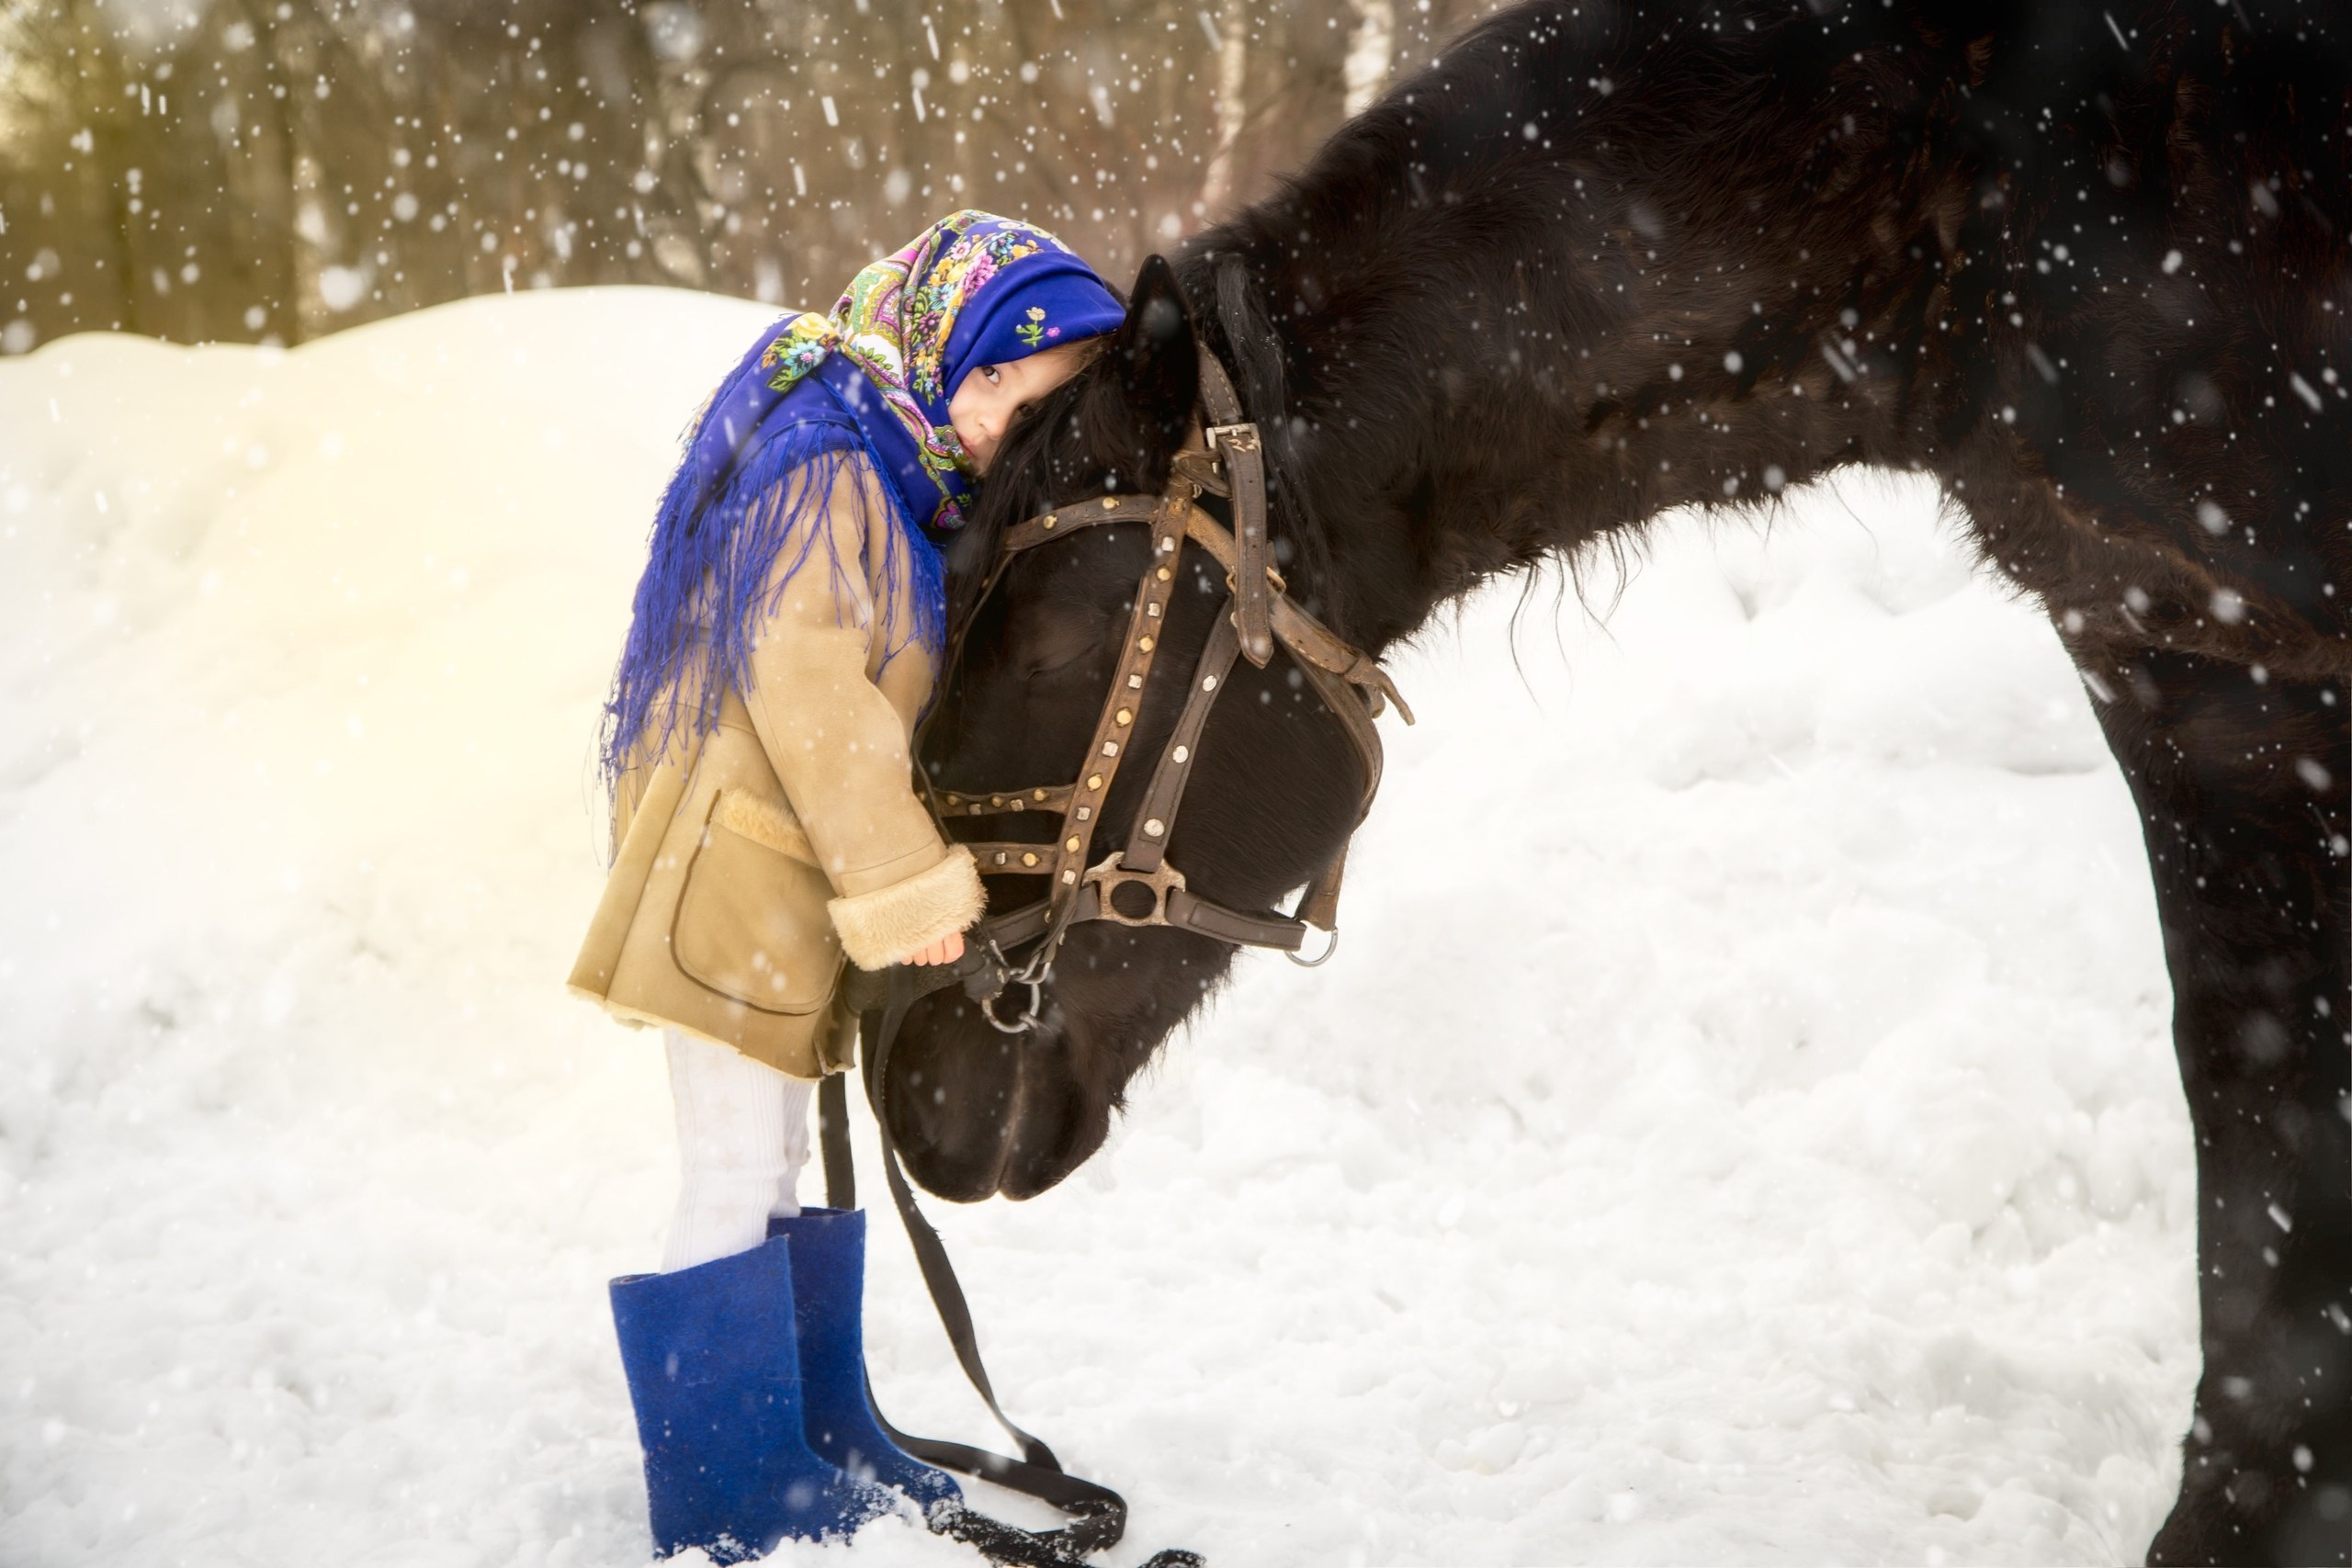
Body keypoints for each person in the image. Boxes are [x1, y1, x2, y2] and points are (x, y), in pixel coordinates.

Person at [568, 210, 1124, 1562]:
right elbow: (809, 685)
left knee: (763, 1157)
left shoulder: (878, 449)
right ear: (957, 358)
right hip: (734, 867)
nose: (1010, 431)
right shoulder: (830, 461)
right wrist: (907, 882)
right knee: (727, 1165)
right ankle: (725, 1498)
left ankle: (811, 1434)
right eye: (1010, 393)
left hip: (765, 863)